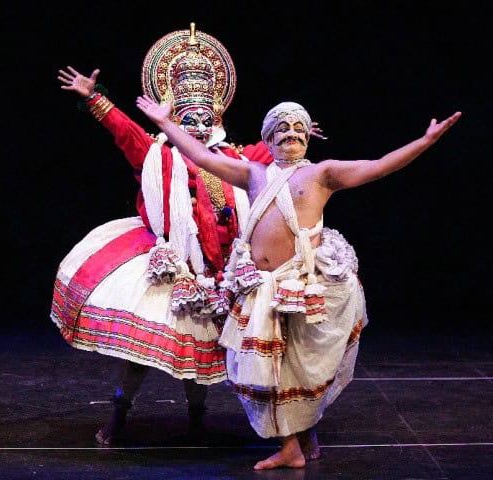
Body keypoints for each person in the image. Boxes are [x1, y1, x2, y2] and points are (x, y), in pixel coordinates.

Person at [136, 95, 460, 469]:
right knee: (263, 368)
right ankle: (293, 444)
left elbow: (379, 167)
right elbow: (204, 157)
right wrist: (165, 123)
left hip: (302, 285)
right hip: (261, 288)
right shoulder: (254, 173)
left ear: (308, 138)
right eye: (282, 129)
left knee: (301, 365)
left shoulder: (322, 173)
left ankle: (300, 437)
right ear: (268, 139)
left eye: (298, 130)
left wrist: (425, 142)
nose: (291, 135)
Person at [51, 24, 323, 446]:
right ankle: (118, 417)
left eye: (203, 118)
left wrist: (292, 134)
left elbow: (278, 149)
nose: (196, 126)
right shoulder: (158, 153)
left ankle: (201, 420)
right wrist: (95, 98)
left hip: (226, 269)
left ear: (216, 118)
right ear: (175, 118)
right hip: (174, 265)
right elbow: (127, 132)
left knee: (207, 350)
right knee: (143, 355)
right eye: (187, 118)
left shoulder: (238, 157)